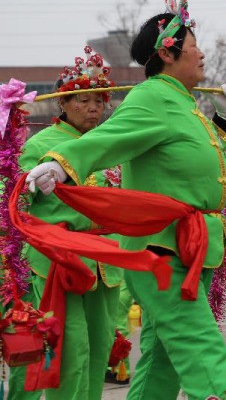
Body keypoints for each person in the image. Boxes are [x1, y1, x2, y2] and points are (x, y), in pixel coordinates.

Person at [24, 0, 226, 399]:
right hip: (161, 249)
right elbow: (108, 138)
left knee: (164, 358)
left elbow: (194, 163)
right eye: (194, 46)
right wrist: (61, 162)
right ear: (167, 53)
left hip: (190, 246)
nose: (202, 54)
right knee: (199, 343)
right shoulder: (152, 97)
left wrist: (225, 122)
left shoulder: (182, 103)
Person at [8, 46, 122, 400]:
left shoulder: (111, 143)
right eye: (82, 100)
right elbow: (16, 198)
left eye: (98, 100)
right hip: (60, 260)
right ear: (64, 103)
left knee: (100, 348)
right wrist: (22, 183)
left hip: (105, 259)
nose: (92, 107)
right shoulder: (41, 144)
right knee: (71, 351)